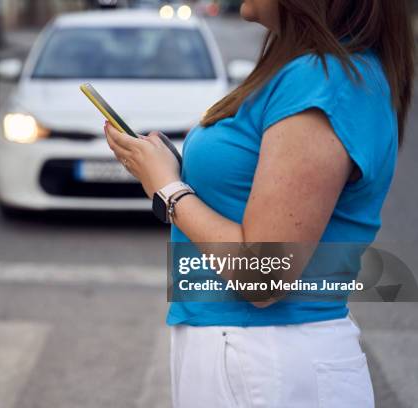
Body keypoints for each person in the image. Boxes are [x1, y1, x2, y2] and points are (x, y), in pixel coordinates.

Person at [104, 0, 415, 406]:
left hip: (266, 360)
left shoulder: (323, 80)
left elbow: (263, 273)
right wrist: (175, 176)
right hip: (255, 355)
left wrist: (166, 188)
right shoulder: (314, 72)